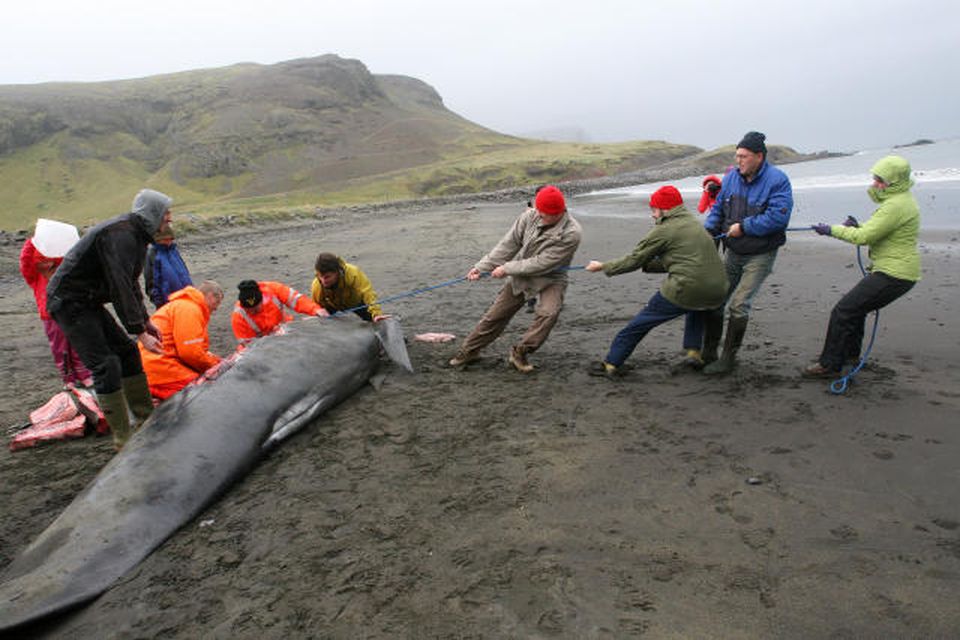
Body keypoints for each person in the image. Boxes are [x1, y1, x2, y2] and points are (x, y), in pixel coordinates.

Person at [46, 189, 171, 450]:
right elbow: (119, 286)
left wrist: (145, 322)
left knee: (126, 352)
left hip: (88, 300)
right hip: (69, 301)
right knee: (106, 365)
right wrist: (139, 332)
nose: (169, 219)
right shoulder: (121, 235)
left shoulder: (137, 237)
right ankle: (123, 439)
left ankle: (146, 419)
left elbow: (130, 281)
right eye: (165, 214)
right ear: (152, 214)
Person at [586, 185, 728, 376]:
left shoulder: (665, 230)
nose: (653, 215)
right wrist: (649, 265)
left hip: (688, 287)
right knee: (697, 306)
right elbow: (685, 261)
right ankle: (694, 353)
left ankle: (611, 364)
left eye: (654, 209)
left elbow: (634, 259)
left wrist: (603, 266)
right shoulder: (695, 224)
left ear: (665, 209)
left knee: (640, 323)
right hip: (718, 289)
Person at [802, 155, 921, 377]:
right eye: (875, 178)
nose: (875, 184)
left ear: (895, 181)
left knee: (844, 310)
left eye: (880, 180)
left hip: (895, 274)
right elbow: (877, 228)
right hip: (898, 272)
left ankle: (829, 365)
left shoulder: (896, 205)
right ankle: (848, 357)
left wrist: (831, 230)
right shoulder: (900, 201)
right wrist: (857, 225)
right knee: (855, 310)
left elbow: (865, 237)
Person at [449, 184, 582, 373]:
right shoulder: (529, 216)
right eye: (539, 211)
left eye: (545, 214)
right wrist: (481, 267)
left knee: (549, 313)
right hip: (520, 274)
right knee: (495, 316)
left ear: (559, 211)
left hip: (551, 277)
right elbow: (508, 245)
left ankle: (520, 352)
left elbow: (542, 263)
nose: (540, 216)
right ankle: (469, 351)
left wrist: (506, 268)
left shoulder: (572, 233)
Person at [702, 131, 793, 374]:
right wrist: (708, 231)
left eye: (743, 156)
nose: (738, 160)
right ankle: (708, 352)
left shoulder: (778, 180)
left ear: (759, 156)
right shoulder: (732, 178)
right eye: (737, 156)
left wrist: (744, 227)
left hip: (761, 253)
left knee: (739, 304)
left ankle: (728, 359)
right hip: (733, 252)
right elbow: (718, 208)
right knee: (716, 299)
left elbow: (778, 217)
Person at [20, 224, 94, 389]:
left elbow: (70, 257)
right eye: (41, 261)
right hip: (50, 315)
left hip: (69, 310)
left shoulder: (62, 271)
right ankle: (68, 378)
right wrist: (32, 243)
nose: (45, 265)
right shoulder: (36, 278)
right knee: (60, 348)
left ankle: (84, 375)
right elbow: (25, 265)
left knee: (77, 343)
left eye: (48, 261)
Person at [139, 281, 224, 400]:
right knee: (206, 392)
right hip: (161, 370)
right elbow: (190, 353)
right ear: (209, 295)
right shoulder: (189, 309)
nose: (216, 308)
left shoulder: (183, 305)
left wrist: (214, 361)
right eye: (217, 302)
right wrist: (217, 366)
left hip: (155, 367)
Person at [232, 279, 328, 343]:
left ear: (262, 300)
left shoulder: (272, 289)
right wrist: (270, 339)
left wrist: (315, 309)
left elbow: (296, 299)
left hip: (286, 328)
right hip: (264, 343)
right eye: (250, 311)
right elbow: (248, 345)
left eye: (256, 309)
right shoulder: (238, 317)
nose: (254, 313)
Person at [310, 253, 387, 321]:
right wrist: (316, 316)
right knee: (322, 319)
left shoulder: (353, 273)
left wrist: (376, 314)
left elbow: (368, 293)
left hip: (355, 303)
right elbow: (316, 307)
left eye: (327, 277)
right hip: (331, 305)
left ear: (337, 272)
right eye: (320, 276)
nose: (323, 281)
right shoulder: (316, 285)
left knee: (374, 320)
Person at [144, 224, 192, 308]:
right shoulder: (152, 255)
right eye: (166, 240)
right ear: (157, 239)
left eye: (171, 239)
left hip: (185, 298)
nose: (169, 242)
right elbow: (151, 281)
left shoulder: (173, 251)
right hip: (167, 303)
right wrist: (159, 302)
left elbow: (184, 273)